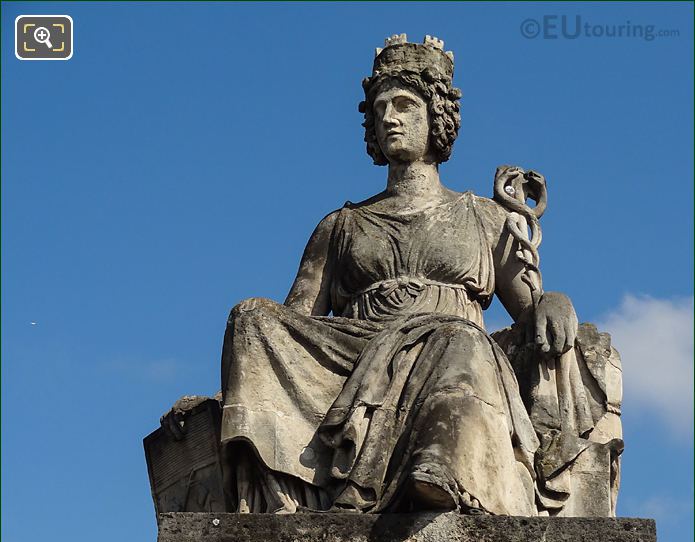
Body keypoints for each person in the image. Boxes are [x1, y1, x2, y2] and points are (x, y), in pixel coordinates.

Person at [163, 35, 621, 516]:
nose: (390, 118)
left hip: (451, 347)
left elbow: (532, 309)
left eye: (404, 105)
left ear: (436, 117)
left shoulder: (484, 217)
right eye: (380, 109)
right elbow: (295, 326)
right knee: (251, 317)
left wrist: (554, 300)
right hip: (356, 348)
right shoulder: (339, 226)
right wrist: (227, 391)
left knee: (457, 339)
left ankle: (439, 469)